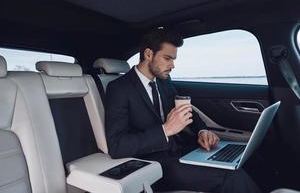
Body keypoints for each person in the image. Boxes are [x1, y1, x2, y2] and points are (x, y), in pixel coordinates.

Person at [105, 28, 261, 193]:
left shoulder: (163, 82)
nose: (172, 65)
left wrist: (202, 131)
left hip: (181, 149)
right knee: (231, 175)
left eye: (173, 59)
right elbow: (117, 146)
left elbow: (184, 109)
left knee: (247, 158)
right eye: (167, 58)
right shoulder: (119, 88)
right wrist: (166, 130)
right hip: (155, 164)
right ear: (149, 54)